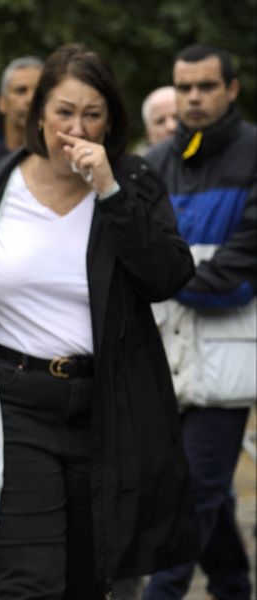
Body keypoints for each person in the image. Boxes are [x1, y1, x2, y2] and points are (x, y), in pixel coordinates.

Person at [0, 44, 199, 599]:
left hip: (105, 402)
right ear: (38, 115)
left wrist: (109, 191)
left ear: (112, 120)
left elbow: (166, 275)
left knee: (90, 579)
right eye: (63, 112)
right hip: (15, 405)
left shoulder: (132, 181)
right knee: (29, 581)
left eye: (92, 114)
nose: (75, 128)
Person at [143, 43, 255, 600]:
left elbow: (245, 264)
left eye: (205, 86)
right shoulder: (160, 160)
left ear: (231, 89)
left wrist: (167, 276)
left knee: (189, 496)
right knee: (202, 492)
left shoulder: (255, 153)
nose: (192, 97)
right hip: (167, 354)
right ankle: (234, 585)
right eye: (183, 86)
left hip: (228, 359)